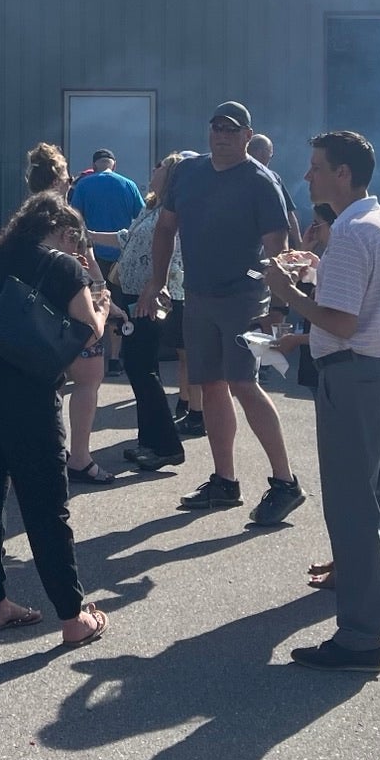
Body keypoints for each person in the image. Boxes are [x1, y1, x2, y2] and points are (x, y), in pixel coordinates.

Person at [263, 130, 380, 672]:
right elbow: (363, 313)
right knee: (377, 494)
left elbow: (343, 321)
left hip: (352, 377)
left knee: (351, 505)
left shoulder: (351, 232)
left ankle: (359, 638)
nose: (308, 176)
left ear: (343, 174)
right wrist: (309, 321)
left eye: (317, 167)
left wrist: (286, 292)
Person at [136, 101, 306, 526]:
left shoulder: (261, 181)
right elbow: (165, 228)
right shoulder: (189, 174)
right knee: (208, 383)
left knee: (243, 383)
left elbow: (278, 248)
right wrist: (156, 281)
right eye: (216, 127)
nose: (222, 135)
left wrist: (280, 308)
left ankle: (285, 483)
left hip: (245, 298)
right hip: (198, 296)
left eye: (232, 130)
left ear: (248, 136)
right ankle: (224, 481)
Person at [0, 191, 110, 648]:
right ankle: (72, 618)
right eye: (76, 240)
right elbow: (87, 332)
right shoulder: (64, 267)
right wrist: (101, 306)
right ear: (64, 232)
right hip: (28, 395)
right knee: (46, 507)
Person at [24, 142, 115, 485]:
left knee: (43, 385)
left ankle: (39, 453)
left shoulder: (25, 217)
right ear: (60, 178)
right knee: (88, 379)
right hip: (72, 305)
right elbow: (88, 263)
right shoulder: (67, 216)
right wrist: (104, 296)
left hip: (35, 311)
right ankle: (80, 457)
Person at [102, 152, 189, 472]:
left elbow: (172, 252)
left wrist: (154, 289)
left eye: (162, 168)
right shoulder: (151, 207)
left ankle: (166, 446)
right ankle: (149, 441)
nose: (155, 170)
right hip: (135, 294)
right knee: (137, 367)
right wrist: (87, 235)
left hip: (152, 298)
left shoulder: (175, 211)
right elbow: (126, 240)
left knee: (143, 369)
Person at [70, 150, 144, 280]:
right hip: (122, 254)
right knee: (121, 297)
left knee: (97, 295)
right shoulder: (129, 185)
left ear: (93, 166)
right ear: (114, 166)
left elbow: (73, 218)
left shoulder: (83, 185)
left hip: (93, 255)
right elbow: (142, 218)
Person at [246, 133, 306, 248]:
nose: (270, 156)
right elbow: (289, 215)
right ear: (262, 152)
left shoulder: (230, 175)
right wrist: (299, 243)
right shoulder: (272, 179)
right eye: (270, 152)